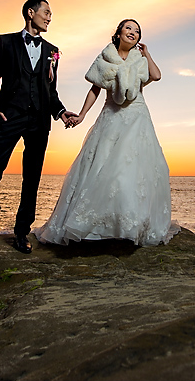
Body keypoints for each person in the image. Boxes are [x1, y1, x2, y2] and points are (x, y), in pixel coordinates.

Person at [34, 19, 180, 246]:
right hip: (111, 115)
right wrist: (82, 115)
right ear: (119, 32)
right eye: (129, 28)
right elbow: (95, 88)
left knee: (131, 170)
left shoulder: (140, 60)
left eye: (137, 31)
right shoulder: (105, 59)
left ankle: (130, 225)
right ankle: (99, 226)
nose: (133, 32)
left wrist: (147, 54)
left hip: (137, 117)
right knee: (101, 167)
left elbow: (156, 75)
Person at [0, 0, 77, 258]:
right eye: (46, 12)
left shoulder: (53, 50)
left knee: (32, 178)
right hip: (9, 116)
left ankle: (21, 232)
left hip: (39, 122)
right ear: (31, 12)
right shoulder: (5, 42)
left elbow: (50, 90)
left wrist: (61, 113)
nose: (50, 17)